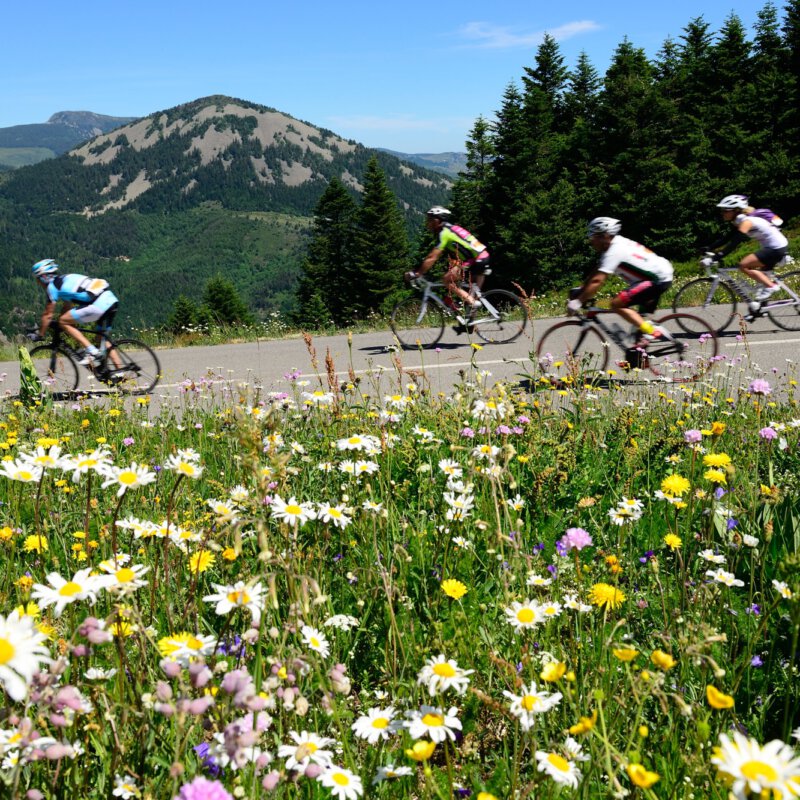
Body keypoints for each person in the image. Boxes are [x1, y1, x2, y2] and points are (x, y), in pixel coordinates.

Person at [567, 217, 674, 345]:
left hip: (657, 279)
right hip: (660, 275)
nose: (591, 240)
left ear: (604, 236)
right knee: (638, 331)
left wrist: (579, 301)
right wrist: (582, 288)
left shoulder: (614, 251)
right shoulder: (613, 246)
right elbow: (596, 272)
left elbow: (597, 281)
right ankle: (640, 359)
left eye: (593, 236)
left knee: (616, 304)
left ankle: (653, 332)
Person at [30, 259, 121, 367]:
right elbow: (67, 306)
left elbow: (47, 315)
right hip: (111, 300)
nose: (38, 282)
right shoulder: (65, 279)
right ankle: (121, 372)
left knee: (63, 321)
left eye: (37, 279)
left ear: (43, 277)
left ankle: (92, 351)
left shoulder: (52, 287)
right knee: (101, 339)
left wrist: (40, 334)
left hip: (99, 305)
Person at [705, 195, 789, 304]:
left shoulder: (747, 221)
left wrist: (716, 257)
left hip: (775, 248)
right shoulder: (741, 221)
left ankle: (771, 286)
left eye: (725, 210)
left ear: (736, 210)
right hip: (775, 247)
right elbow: (727, 238)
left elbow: (734, 243)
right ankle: (759, 308)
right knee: (761, 282)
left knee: (743, 265)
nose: (722, 213)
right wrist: (709, 248)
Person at [405, 207, 491, 313]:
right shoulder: (452, 229)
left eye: (430, 220)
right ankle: (468, 324)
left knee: (446, 280)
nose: (428, 223)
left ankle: (472, 303)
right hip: (482, 256)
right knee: (469, 295)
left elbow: (432, 257)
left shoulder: (444, 233)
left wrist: (418, 272)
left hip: (476, 260)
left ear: (437, 220)